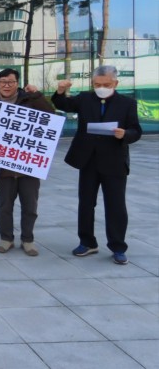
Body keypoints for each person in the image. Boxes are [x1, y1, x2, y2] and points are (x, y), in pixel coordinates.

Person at [51, 65, 142, 265]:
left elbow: (136, 130)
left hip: (114, 161)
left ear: (115, 83)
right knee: (86, 203)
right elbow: (63, 104)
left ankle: (118, 246)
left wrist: (125, 134)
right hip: (88, 160)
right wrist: (60, 91)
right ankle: (87, 242)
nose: (101, 88)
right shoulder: (85, 98)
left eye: (106, 84)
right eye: (97, 84)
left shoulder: (127, 103)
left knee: (116, 206)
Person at [0, 69, 56, 257]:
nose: (6, 85)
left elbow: (51, 116)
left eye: (11, 82)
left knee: (30, 206)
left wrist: (37, 95)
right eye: (2, 81)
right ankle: (6, 239)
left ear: (18, 83)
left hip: (28, 165)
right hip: (2, 167)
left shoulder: (29, 100)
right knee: (5, 206)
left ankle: (28, 240)